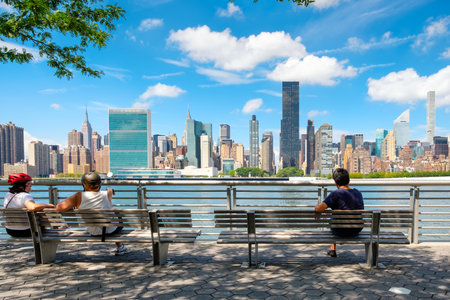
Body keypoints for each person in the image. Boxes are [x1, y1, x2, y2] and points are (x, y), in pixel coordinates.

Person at [56, 172, 130, 256]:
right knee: (115, 214)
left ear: (84, 184)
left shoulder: (78, 196)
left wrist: (75, 206)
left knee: (111, 213)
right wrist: (110, 190)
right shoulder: (107, 194)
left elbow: (59, 207)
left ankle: (120, 247)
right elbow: (109, 191)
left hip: (93, 232)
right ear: (100, 183)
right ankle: (120, 247)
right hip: (111, 230)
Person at [315, 168, 364, 257]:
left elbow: (318, 209)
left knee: (334, 219)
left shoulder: (335, 194)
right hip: (356, 230)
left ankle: (333, 249)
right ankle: (332, 248)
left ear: (335, 182)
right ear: (349, 180)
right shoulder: (358, 193)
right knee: (336, 217)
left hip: (340, 231)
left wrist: (321, 209)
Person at [3, 173, 54, 237]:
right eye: (28, 184)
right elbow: (32, 207)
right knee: (40, 217)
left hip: (10, 230)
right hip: (26, 231)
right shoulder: (25, 196)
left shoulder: (8, 195)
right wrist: (48, 205)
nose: (30, 186)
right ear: (21, 186)